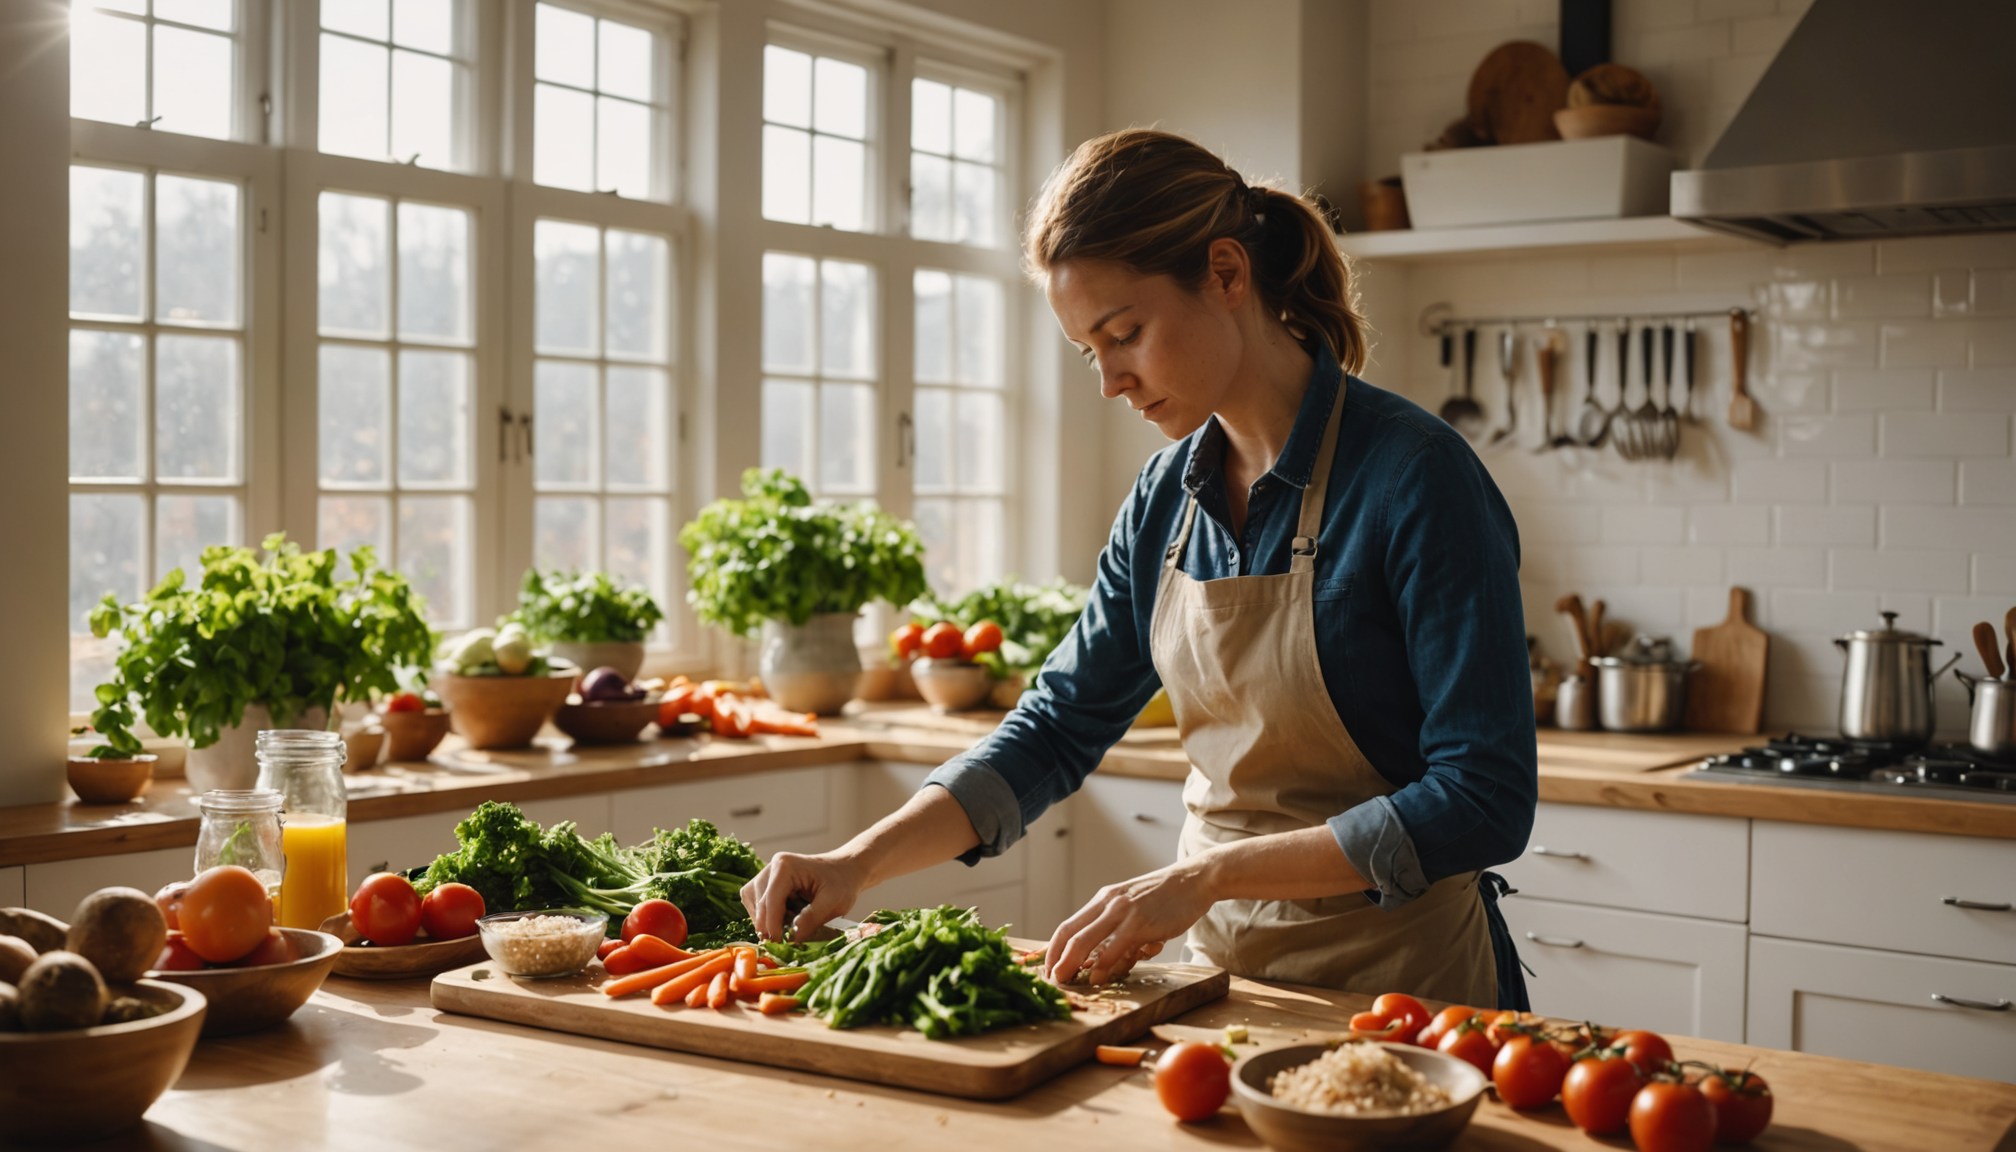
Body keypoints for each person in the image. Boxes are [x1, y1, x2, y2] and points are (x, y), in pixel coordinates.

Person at [743, 129, 1536, 1010]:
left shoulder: (1415, 477)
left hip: (1411, 990)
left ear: (1227, 275)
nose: (1111, 381)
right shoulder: (1166, 497)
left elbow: (1484, 798)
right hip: (1226, 983)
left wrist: (1209, 875)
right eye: (1091, 350)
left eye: (1125, 334)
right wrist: (857, 862)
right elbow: (1055, 727)